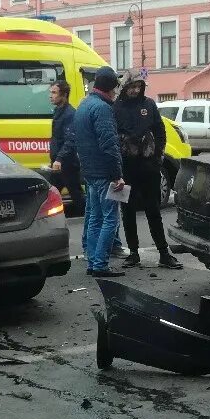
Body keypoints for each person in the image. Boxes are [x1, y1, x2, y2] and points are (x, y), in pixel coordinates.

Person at [114, 77, 182, 270]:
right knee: (127, 212)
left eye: (138, 87)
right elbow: (112, 136)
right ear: (125, 87)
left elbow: (160, 130)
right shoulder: (116, 108)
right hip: (125, 169)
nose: (135, 90)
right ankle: (133, 253)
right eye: (132, 87)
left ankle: (163, 253)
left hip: (148, 167)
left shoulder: (149, 104)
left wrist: (158, 155)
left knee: (153, 210)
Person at [70, 67, 127, 278]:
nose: (115, 93)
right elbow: (109, 145)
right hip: (104, 173)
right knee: (110, 219)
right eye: (115, 88)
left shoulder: (83, 105)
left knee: (94, 217)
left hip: (90, 172)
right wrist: (117, 175)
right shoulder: (102, 109)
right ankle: (101, 264)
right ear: (111, 88)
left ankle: (93, 260)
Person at [48, 79, 83, 209]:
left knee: (76, 194)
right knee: (51, 193)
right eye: (50, 92)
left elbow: (70, 140)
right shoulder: (58, 110)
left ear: (63, 95)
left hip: (67, 164)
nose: (50, 95)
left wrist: (59, 159)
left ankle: (88, 218)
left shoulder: (69, 114)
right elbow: (57, 138)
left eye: (54, 92)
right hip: (59, 163)